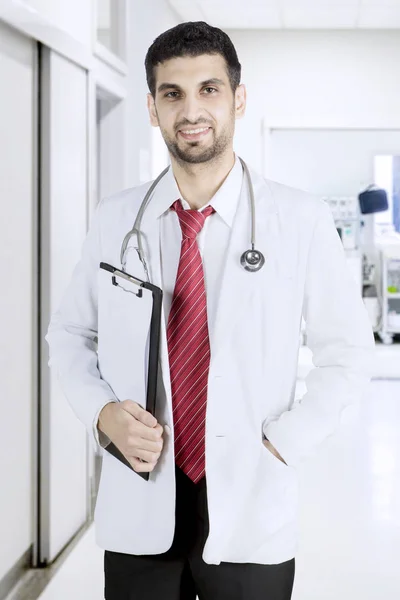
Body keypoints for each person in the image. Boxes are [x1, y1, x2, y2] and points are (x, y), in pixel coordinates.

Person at [45, 21, 375, 600]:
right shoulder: (116, 219)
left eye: (209, 89)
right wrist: (103, 413)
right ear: (151, 108)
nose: (190, 110)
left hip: (251, 497)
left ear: (238, 99)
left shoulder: (299, 221)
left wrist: (286, 442)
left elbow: (346, 356)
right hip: (140, 496)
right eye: (172, 93)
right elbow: (70, 335)